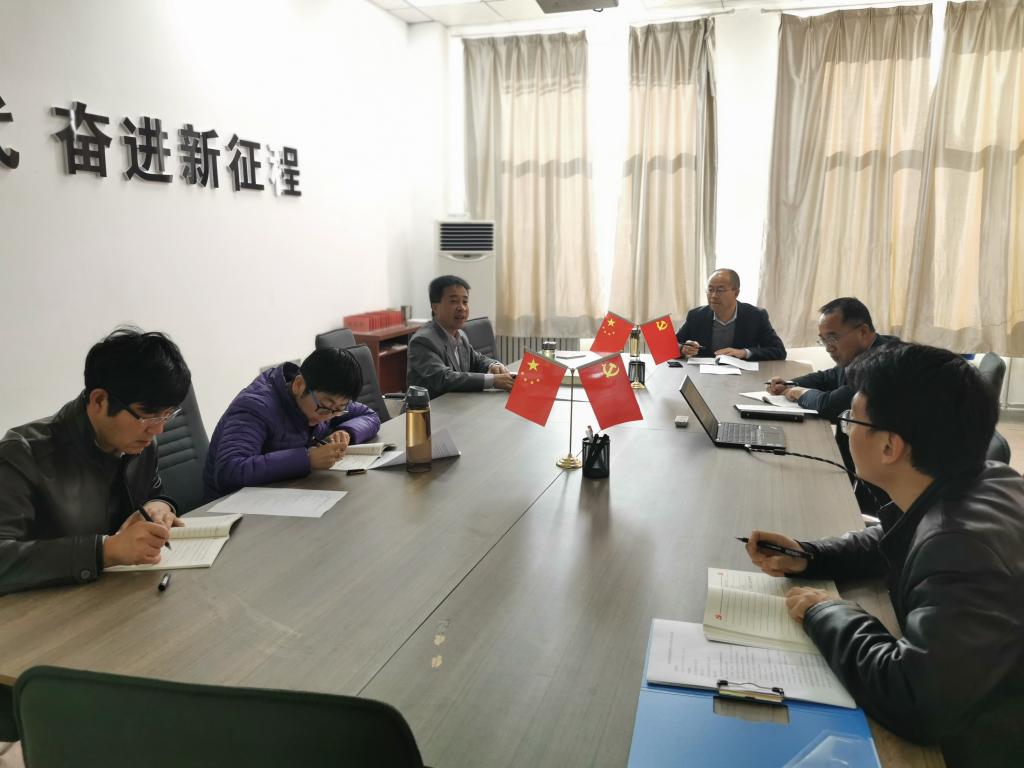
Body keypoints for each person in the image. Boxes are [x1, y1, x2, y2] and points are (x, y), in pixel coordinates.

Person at [746, 344, 1024, 767]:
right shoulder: (986, 476)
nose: (846, 429)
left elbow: (915, 701)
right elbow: (899, 536)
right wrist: (812, 555)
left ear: (891, 446)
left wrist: (828, 612)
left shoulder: (959, 547)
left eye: (851, 420)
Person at [0, 328, 192, 596]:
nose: (158, 430)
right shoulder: (22, 454)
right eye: (148, 415)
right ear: (99, 400)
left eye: (167, 415)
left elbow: (152, 493)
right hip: (54, 609)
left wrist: (159, 506)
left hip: (126, 593)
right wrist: (104, 551)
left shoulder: (141, 441)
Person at [767, 297, 898, 508]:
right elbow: (829, 377)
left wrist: (799, 393)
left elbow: (830, 405)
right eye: (823, 340)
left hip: (883, 477)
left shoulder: (884, 363)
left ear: (863, 331)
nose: (828, 348)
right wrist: (789, 383)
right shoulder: (864, 353)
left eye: (833, 338)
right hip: (858, 460)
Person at [204, 347, 380, 500]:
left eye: (339, 409)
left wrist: (346, 431)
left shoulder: (327, 403)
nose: (328, 417)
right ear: (299, 385)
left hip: (287, 493)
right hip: (233, 509)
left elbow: (369, 415)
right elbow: (230, 471)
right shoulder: (255, 407)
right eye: (325, 407)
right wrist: (307, 459)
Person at [406, 275, 514, 399]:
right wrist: (492, 380)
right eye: (453, 301)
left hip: (458, 403)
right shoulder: (422, 341)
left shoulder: (460, 334)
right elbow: (443, 378)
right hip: (429, 408)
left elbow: (477, 360)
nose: (462, 308)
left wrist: (493, 365)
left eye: (465, 302)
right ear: (435, 307)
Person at [676, 269, 786, 361]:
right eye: (710, 290)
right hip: (703, 375)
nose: (713, 295)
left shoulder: (756, 316)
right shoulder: (696, 316)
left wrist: (743, 353)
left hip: (743, 376)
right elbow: (671, 345)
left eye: (720, 290)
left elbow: (779, 351)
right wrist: (682, 348)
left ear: (736, 292)